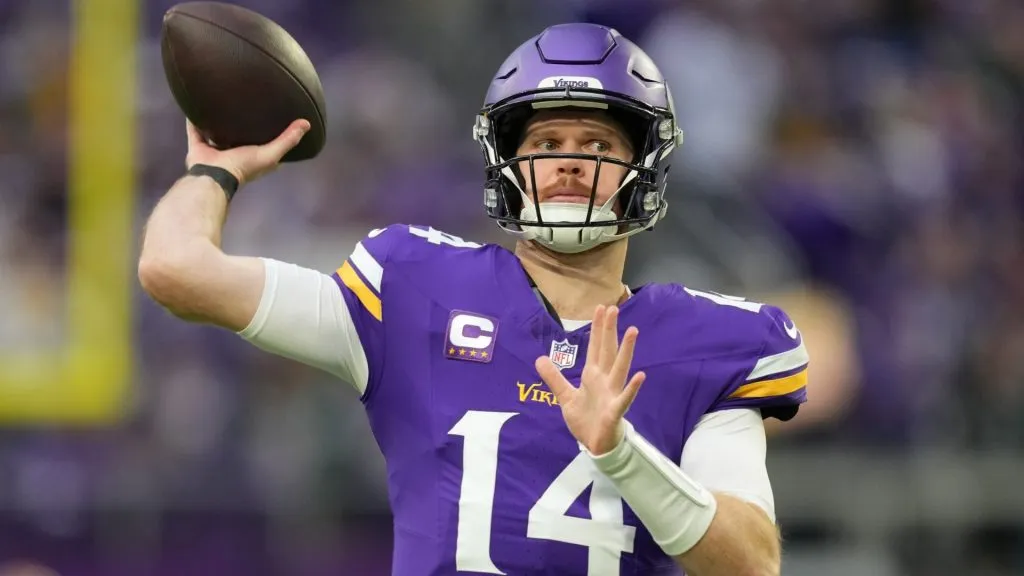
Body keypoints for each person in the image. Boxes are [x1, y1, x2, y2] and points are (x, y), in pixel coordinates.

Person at [139, 23, 807, 576]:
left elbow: (751, 563)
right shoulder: (412, 290)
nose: (570, 162)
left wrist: (621, 452)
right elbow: (176, 268)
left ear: (645, 170)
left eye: (597, 144)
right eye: (546, 143)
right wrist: (214, 172)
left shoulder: (708, 344)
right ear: (506, 164)